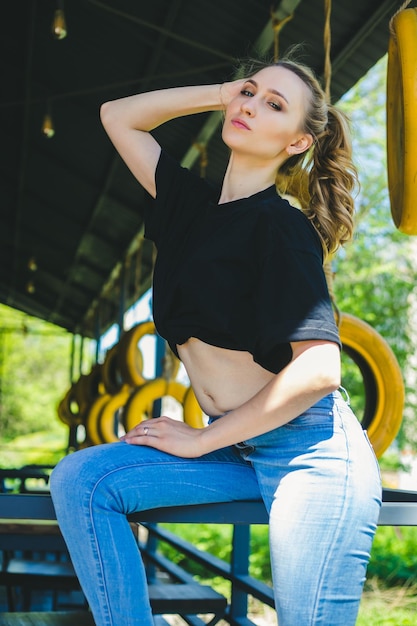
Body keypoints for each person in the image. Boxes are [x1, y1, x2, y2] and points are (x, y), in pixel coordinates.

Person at [50, 53, 382, 626]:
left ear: (299, 143)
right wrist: (224, 90)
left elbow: (320, 368)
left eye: (273, 105)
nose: (251, 106)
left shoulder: (281, 226)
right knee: (83, 479)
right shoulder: (186, 208)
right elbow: (117, 116)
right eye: (250, 93)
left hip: (311, 453)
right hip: (240, 448)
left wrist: (202, 440)